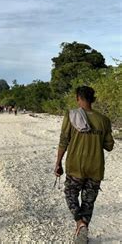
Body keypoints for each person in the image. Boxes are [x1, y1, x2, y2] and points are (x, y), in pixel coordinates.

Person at [54, 86, 114, 243]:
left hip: (76, 165)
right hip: (96, 167)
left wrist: (58, 162)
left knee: (70, 194)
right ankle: (83, 227)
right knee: (88, 202)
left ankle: (80, 223)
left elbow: (63, 141)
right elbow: (109, 146)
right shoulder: (104, 120)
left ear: (78, 98)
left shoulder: (71, 115)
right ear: (92, 99)